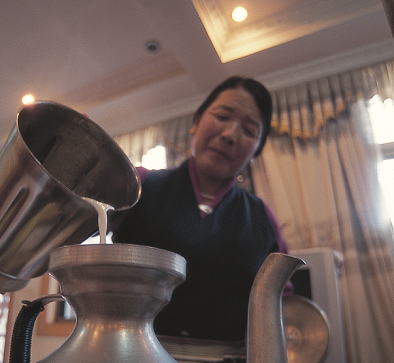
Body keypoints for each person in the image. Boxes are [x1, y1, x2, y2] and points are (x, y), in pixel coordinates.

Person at [111, 76, 289, 344]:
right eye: (222, 116)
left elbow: (283, 297)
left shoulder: (262, 216)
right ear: (196, 122)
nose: (229, 135)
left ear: (255, 152)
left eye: (249, 130)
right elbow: (75, 223)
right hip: (130, 358)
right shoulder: (139, 183)